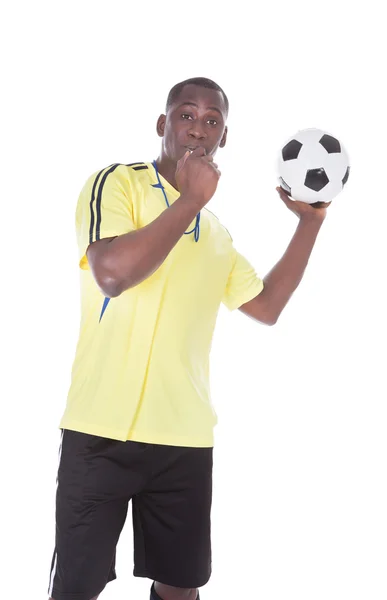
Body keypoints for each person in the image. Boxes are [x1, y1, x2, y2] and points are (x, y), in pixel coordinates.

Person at [48, 77, 329, 600]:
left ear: (224, 138)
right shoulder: (117, 184)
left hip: (183, 440)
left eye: (212, 121)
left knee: (181, 587)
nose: (198, 129)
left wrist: (310, 224)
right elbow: (111, 273)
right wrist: (188, 201)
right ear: (162, 124)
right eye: (186, 115)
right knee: (76, 587)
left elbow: (265, 306)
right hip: (99, 433)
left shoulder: (215, 232)